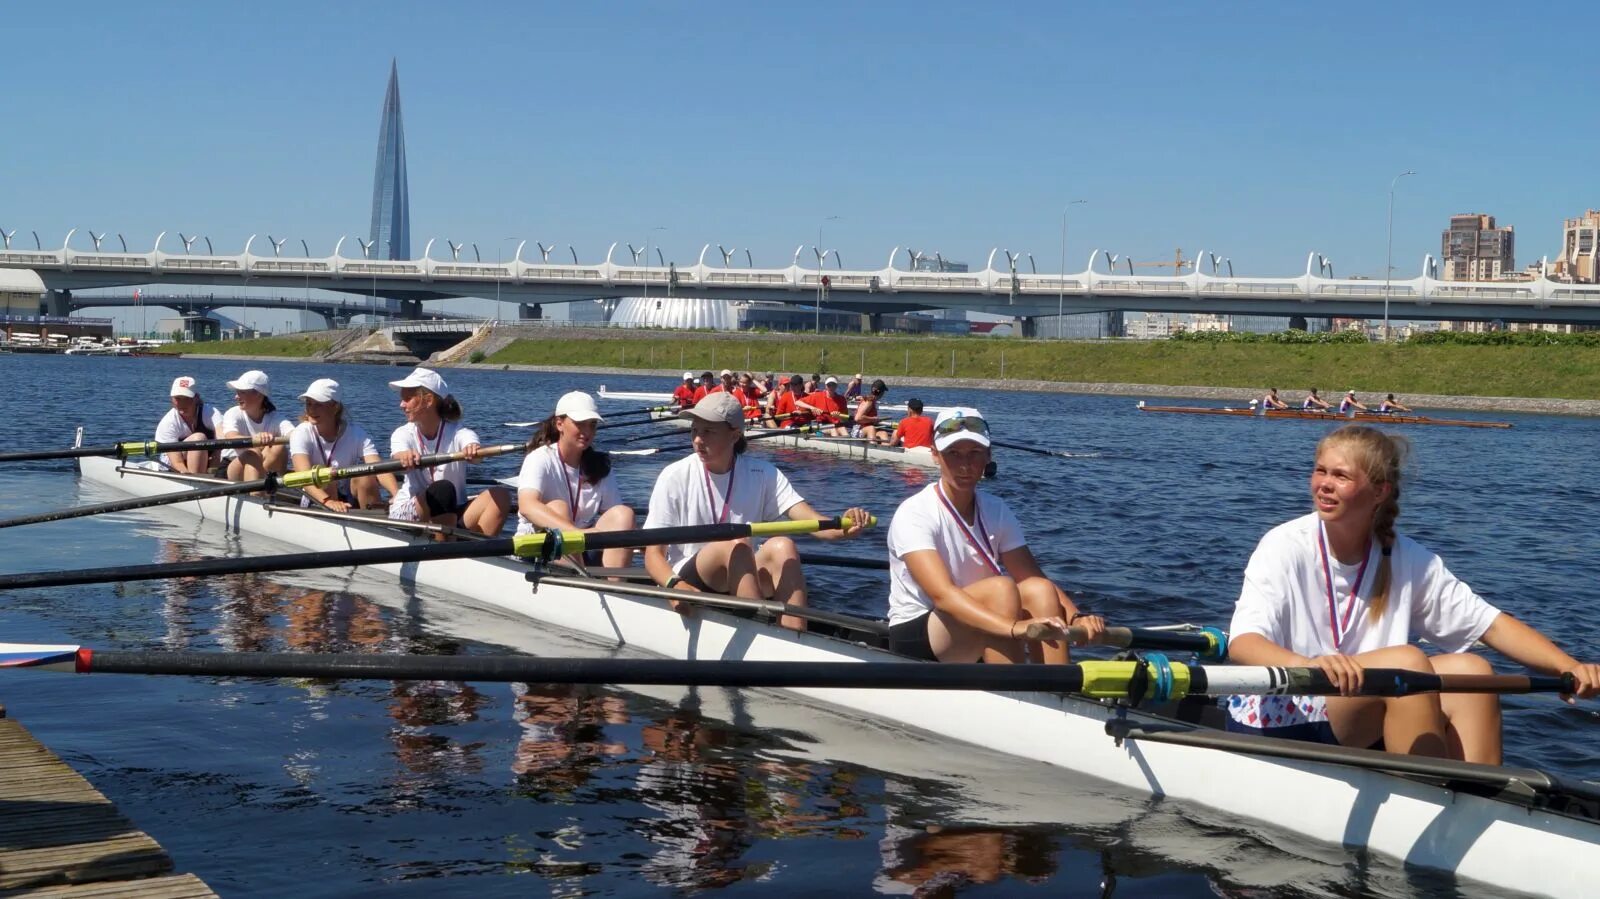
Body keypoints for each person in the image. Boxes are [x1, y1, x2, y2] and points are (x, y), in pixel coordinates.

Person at [1226, 425, 1600, 763]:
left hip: (1357, 704)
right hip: (1281, 709)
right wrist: (1310, 664)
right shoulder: (1283, 545)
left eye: (1340, 476)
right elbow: (1243, 644)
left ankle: (1480, 802)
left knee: (1473, 671)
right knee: (1407, 661)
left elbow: (1492, 627)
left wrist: (1567, 666)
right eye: (1320, 471)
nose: (1323, 484)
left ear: (1379, 491)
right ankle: (1427, 799)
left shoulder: (1408, 558)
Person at [886, 407, 1106, 663]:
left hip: (978, 618)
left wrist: (1077, 618)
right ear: (935, 455)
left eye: (975, 454)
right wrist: (1014, 628)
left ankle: (1052, 687)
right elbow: (942, 596)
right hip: (919, 630)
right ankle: (1011, 691)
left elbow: (1032, 575)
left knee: (1040, 589)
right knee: (1001, 588)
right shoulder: (914, 512)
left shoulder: (996, 509)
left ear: (988, 456)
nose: (965, 465)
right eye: (953, 454)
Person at [642, 393, 872, 631]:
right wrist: (674, 585)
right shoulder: (675, 475)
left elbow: (814, 523)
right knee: (736, 546)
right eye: (694, 430)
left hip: (740, 570)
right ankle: (757, 633)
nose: (698, 439)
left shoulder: (763, 474)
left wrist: (845, 525)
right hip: (688, 578)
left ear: (735, 435)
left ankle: (794, 637)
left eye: (708, 432)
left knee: (783, 545)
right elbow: (653, 554)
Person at [516, 391, 637, 569]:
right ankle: (579, 580)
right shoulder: (539, 458)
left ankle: (614, 588)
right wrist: (577, 533)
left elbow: (615, 518)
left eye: (593, 425)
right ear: (559, 424)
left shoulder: (600, 466)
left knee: (624, 514)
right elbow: (527, 506)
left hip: (583, 547)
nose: (587, 432)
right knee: (558, 506)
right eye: (580, 424)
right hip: (537, 547)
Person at [388, 367, 510, 536]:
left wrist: (472, 450)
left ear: (428, 400)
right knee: (442, 490)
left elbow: (472, 446)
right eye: (402, 399)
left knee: (501, 495)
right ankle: (447, 548)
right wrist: (404, 457)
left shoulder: (458, 432)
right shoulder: (402, 433)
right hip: (411, 510)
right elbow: (398, 456)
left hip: (453, 509)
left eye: (408, 399)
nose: (401, 405)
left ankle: (478, 553)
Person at [288, 378, 397, 512]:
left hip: (347, 496)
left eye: (318, 405)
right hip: (316, 497)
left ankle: (375, 521)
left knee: (366, 475)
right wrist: (328, 501)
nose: (311, 409)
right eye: (309, 404)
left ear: (335, 407)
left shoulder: (356, 434)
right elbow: (303, 474)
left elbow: (379, 468)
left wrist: (397, 494)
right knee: (325, 476)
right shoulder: (301, 432)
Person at [219, 370, 295, 482]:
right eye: (237, 392)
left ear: (258, 394)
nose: (236, 397)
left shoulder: (275, 417)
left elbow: (294, 434)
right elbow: (231, 436)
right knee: (253, 453)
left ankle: (266, 488)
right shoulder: (233, 413)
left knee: (280, 447)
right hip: (231, 467)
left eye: (241, 392)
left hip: (260, 467)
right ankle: (259, 493)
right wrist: (255, 440)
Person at [155, 375, 225, 474]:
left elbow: (223, 441)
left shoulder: (210, 412)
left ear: (196, 398)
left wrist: (214, 470)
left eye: (186, 398)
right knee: (198, 438)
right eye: (177, 398)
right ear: (172, 398)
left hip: (204, 458)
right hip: (172, 464)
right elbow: (177, 462)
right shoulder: (168, 422)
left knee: (223, 444)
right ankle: (197, 481)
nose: (181, 403)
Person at [853, 379, 891, 444]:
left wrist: (874, 420)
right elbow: (858, 418)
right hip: (857, 431)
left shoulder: (872, 400)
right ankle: (873, 447)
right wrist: (874, 419)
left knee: (883, 433)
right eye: (883, 392)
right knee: (871, 428)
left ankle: (887, 450)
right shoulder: (869, 401)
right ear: (880, 392)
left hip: (865, 429)